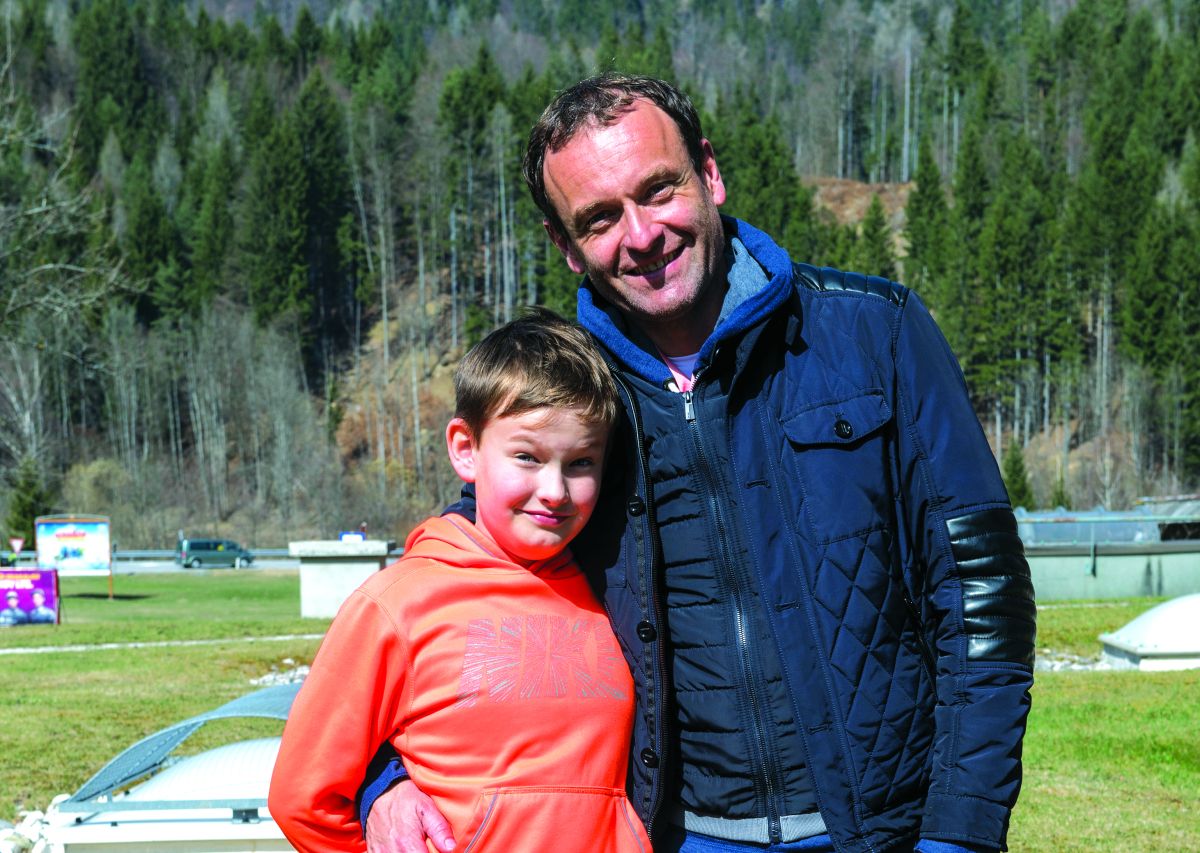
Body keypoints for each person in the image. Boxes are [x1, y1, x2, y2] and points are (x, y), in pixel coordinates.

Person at [363, 74, 1036, 853]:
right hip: (675, 838)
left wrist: (958, 834)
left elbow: (982, 593)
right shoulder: (566, 400)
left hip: (887, 832)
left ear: (709, 174)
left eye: (659, 190)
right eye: (600, 217)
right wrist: (388, 777)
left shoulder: (877, 333)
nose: (642, 234)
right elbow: (444, 597)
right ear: (565, 246)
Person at [269, 310, 652, 853]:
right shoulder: (397, 604)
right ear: (465, 449)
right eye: (527, 457)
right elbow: (303, 796)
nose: (555, 491)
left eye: (581, 463)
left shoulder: (611, 591)